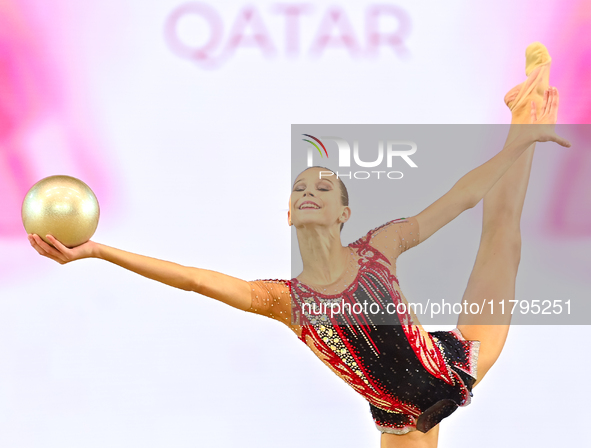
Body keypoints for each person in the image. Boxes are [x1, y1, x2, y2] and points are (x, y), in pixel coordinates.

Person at [28, 83, 569, 447]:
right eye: (300, 187)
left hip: (456, 363)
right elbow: (193, 280)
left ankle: (524, 114)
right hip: (403, 418)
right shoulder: (287, 301)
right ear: (289, 213)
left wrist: (516, 142)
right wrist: (100, 251)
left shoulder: (380, 248)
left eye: (324, 186)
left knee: (502, 238)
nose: (311, 191)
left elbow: (461, 198)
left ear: (343, 212)